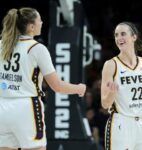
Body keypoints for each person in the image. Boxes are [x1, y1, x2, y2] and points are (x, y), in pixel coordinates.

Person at [0, 7, 86, 150]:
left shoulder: (2, 45)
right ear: (31, 26)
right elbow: (57, 86)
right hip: (26, 107)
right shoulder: (37, 48)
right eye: (39, 19)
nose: (42, 22)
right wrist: (78, 88)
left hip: (3, 107)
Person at [101, 21, 142, 150]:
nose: (119, 38)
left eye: (123, 34)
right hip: (121, 123)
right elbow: (105, 104)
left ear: (134, 37)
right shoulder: (111, 65)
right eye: (116, 35)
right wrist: (112, 93)